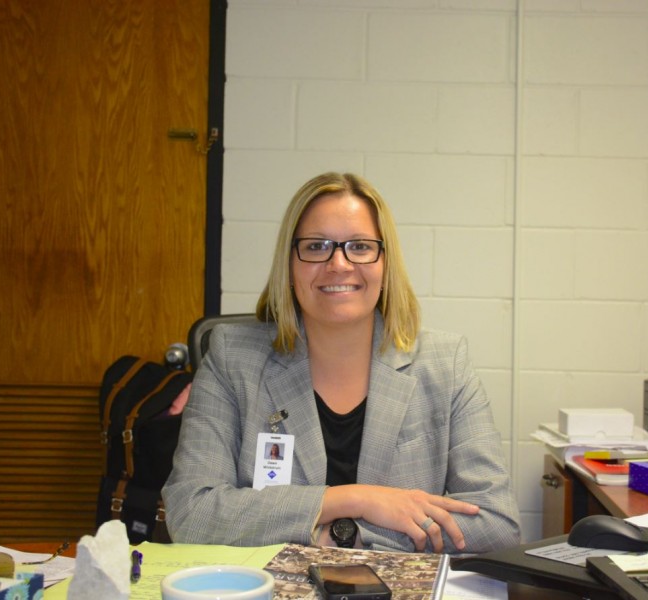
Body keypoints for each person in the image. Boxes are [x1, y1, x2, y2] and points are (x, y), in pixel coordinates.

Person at [162, 172, 520, 553]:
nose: (338, 264)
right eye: (316, 246)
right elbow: (192, 513)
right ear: (290, 264)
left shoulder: (445, 364)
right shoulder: (232, 358)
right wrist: (357, 499)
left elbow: (496, 524)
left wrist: (344, 535)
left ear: (385, 263)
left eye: (360, 247)